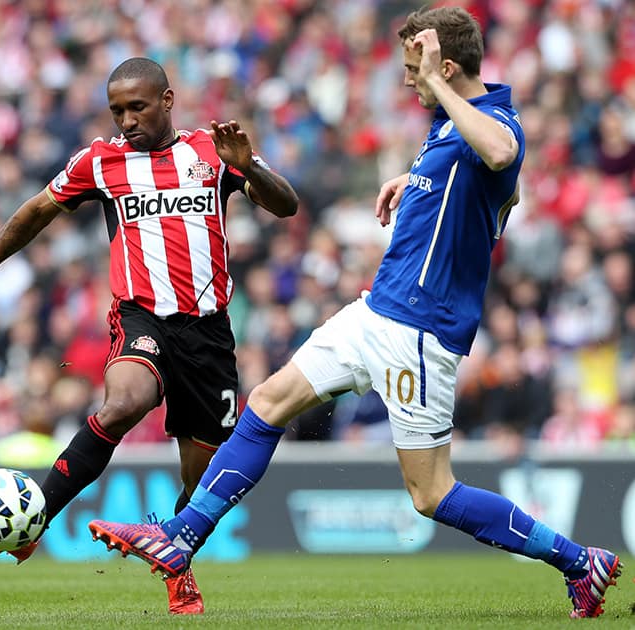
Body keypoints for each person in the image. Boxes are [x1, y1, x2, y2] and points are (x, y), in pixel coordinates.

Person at [87, 8, 622, 620]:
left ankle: (580, 561)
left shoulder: (492, 121)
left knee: (431, 494)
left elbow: (503, 157)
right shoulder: (451, 130)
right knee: (266, 403)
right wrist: (418, 180)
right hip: (378, 309)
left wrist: (444, 119)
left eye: (414, 71)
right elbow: (505, 188)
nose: (406, 82)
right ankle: (181, 541)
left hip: (418, 332)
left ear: (446, 68)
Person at [0, 57, 299, 614]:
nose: (127, 120)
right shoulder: (101, 160)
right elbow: (35, 211)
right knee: (122, 403)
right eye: (117, 110)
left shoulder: (212, 150)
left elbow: (287, 204)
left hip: (209, 337)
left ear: (168, 100)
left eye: (138, 107)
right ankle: (36, 519)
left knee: (203, 480)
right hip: (142, 318)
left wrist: (249, 167)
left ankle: (177, 562)